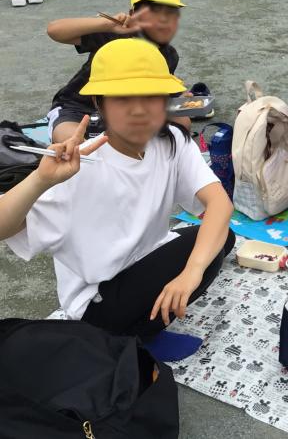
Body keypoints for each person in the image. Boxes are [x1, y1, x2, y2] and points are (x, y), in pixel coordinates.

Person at [0, 39, 234, 362]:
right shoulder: (79, 166)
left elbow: (219, 204)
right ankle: (130, 339)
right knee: (205, 245)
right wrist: (40, 180)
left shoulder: (172, 142)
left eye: (151, 97)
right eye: (123, 98)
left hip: (140, 262)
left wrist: (190, 273)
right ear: (99, 103)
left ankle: (144, 326)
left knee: (219, 239)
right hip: (96, 303)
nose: (139, 110)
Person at [45, 0, 190, 143]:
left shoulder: (169, 55)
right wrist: (106, 24)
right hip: (80, 109)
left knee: (182, 124)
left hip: (131, 113)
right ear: (133, 14)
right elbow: (54, 30)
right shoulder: (112, 35)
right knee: (75, 144)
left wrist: (181, 96)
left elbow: (161, 90)